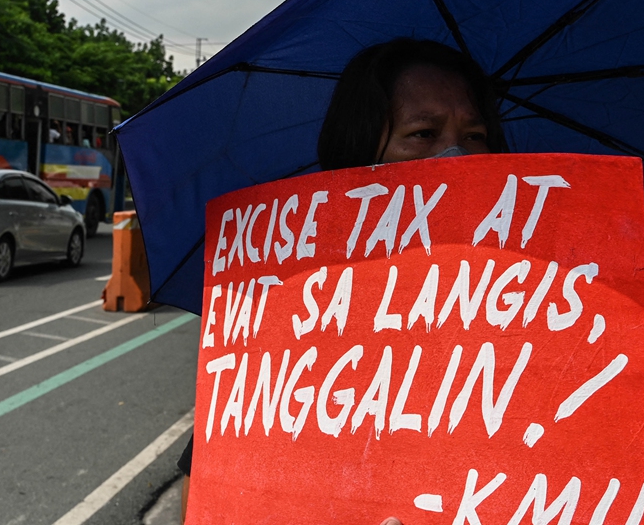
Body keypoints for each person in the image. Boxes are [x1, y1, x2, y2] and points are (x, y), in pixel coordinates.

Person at [176, 38, 505, 523]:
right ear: (358, 156)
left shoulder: (539, 309)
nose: (455, 158)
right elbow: (211, 500)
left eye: (474, 135)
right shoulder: (288, 328)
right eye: (423, 133)